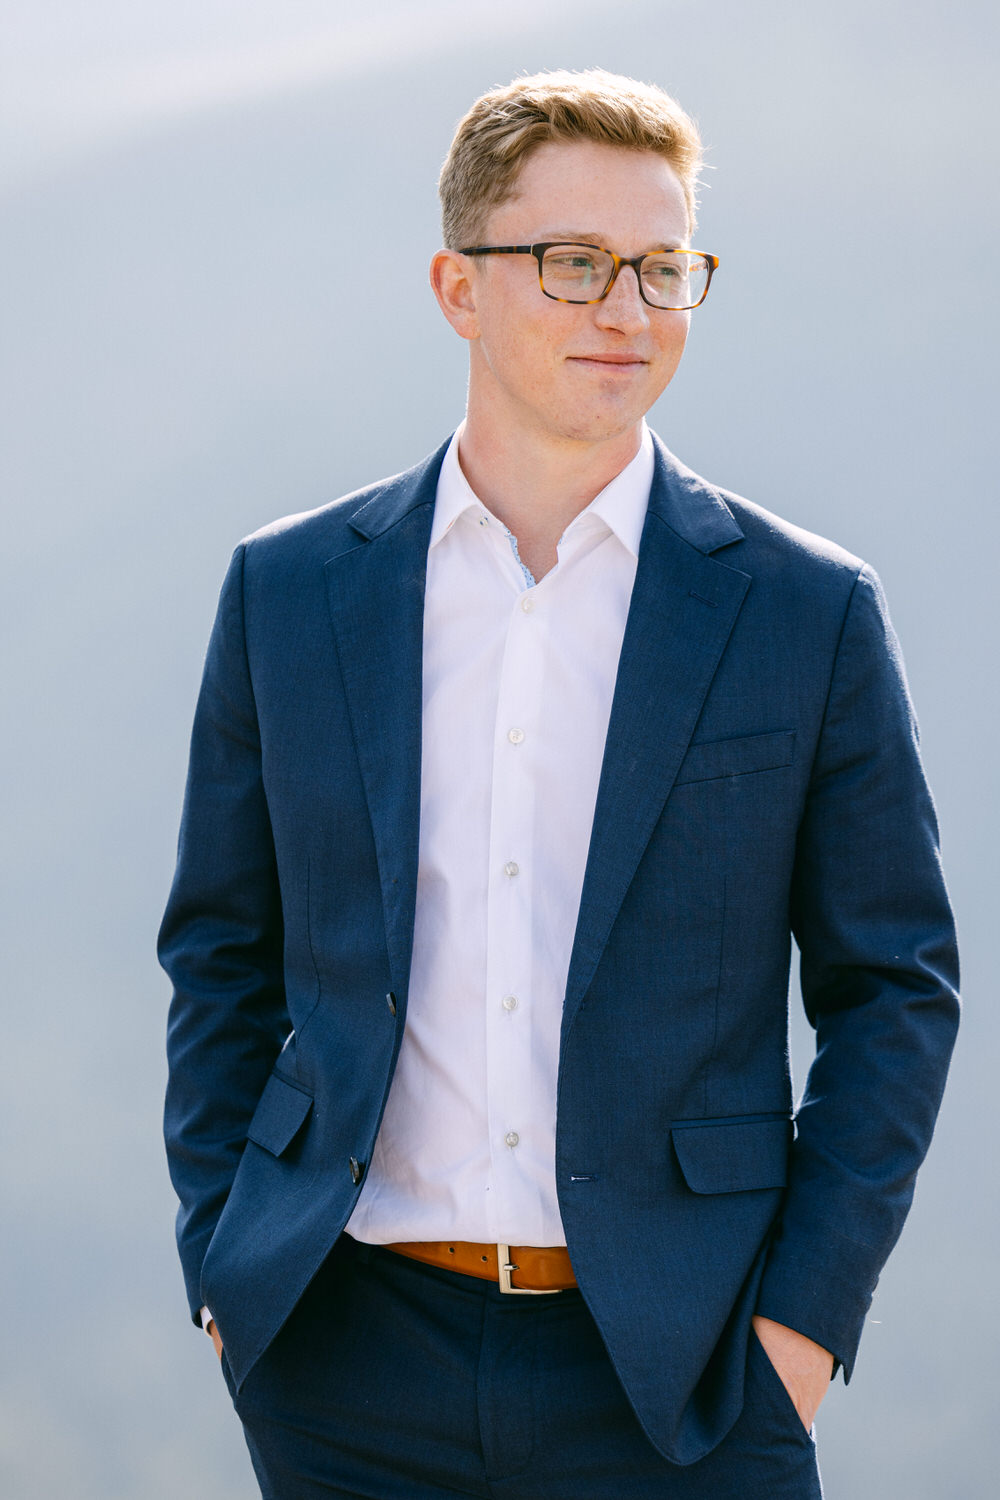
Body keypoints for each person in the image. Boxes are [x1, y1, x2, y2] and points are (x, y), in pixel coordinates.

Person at [159, 69, 959, 1499]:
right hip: (344, 1352)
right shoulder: (290, 593)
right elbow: (222, 952)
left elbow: (895, 987)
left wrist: (803, 1327)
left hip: (691, 1372)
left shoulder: (804, 610)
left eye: (665, 269)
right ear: (458, 289)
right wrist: (228, 1272)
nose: (629, 309)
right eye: (575, 264)